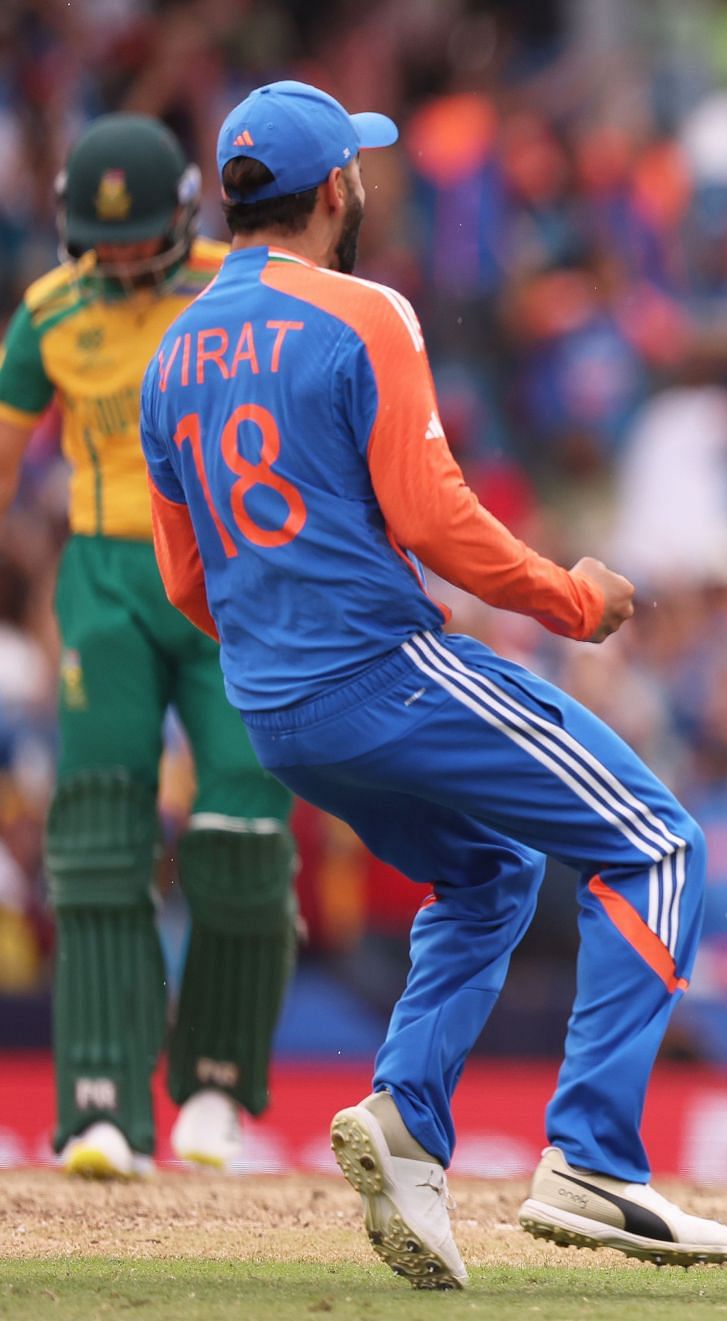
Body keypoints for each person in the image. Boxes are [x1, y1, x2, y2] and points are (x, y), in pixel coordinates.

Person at [139, 81, 727, 1290]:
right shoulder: (365, 313)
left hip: (275, 705)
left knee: (490, 870)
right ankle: (593, 1156)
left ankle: (409, 1123)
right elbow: (436, 518)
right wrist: (573, 600)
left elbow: (190, 582)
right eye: (356, 167)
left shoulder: (170, 357)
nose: (366, 182)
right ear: (333, 191)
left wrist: (290, 633)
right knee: (659, 844)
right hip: (378, 670)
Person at [0, 114, 295, 1178]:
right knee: (97, 837)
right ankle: (98, 1104)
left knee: (244, 830)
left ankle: (216, 1083)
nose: (121, 262)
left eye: (139, 242)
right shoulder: (47, 318)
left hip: (234, 580)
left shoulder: (252, 285)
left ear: (183, 218)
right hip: (110, 581)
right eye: (101, 245)